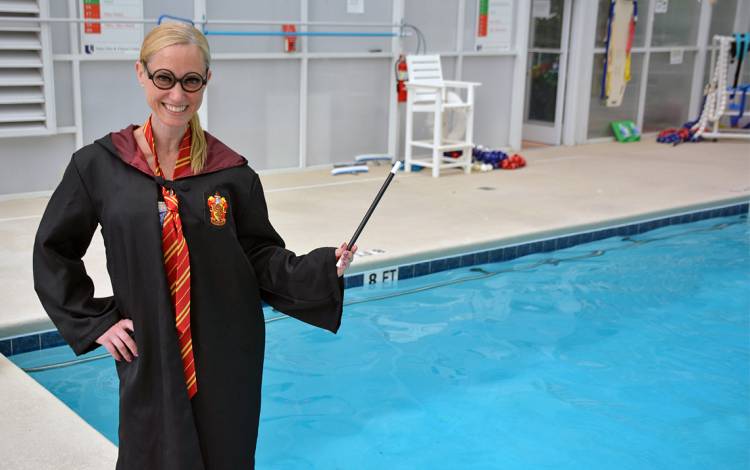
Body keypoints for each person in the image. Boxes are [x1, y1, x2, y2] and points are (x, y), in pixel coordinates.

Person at [32, 22, 356, 470]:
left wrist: (322, 267)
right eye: (164, 78)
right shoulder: (99, 166)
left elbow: (258, 254)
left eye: (191, 81)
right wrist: (94, 322)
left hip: (226, 349)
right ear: (141, 74)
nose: (177, 95)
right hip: (150, 349)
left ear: (206, 80)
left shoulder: (231, 173)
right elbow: (53, 248)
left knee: (223, 454)